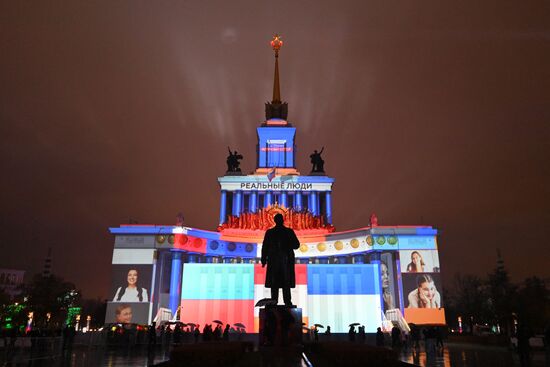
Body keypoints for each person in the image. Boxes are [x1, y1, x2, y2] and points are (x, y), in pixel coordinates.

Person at [261, 213, 300, 305]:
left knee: (283, 280)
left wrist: (264, 259)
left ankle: (283, 301)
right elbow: (265, 246)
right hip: (277, 260)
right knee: (278, 281)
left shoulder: (286, 232)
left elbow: (296, 245)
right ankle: (280, 301)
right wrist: (263, 258)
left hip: (284, 260)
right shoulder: (272, 232)